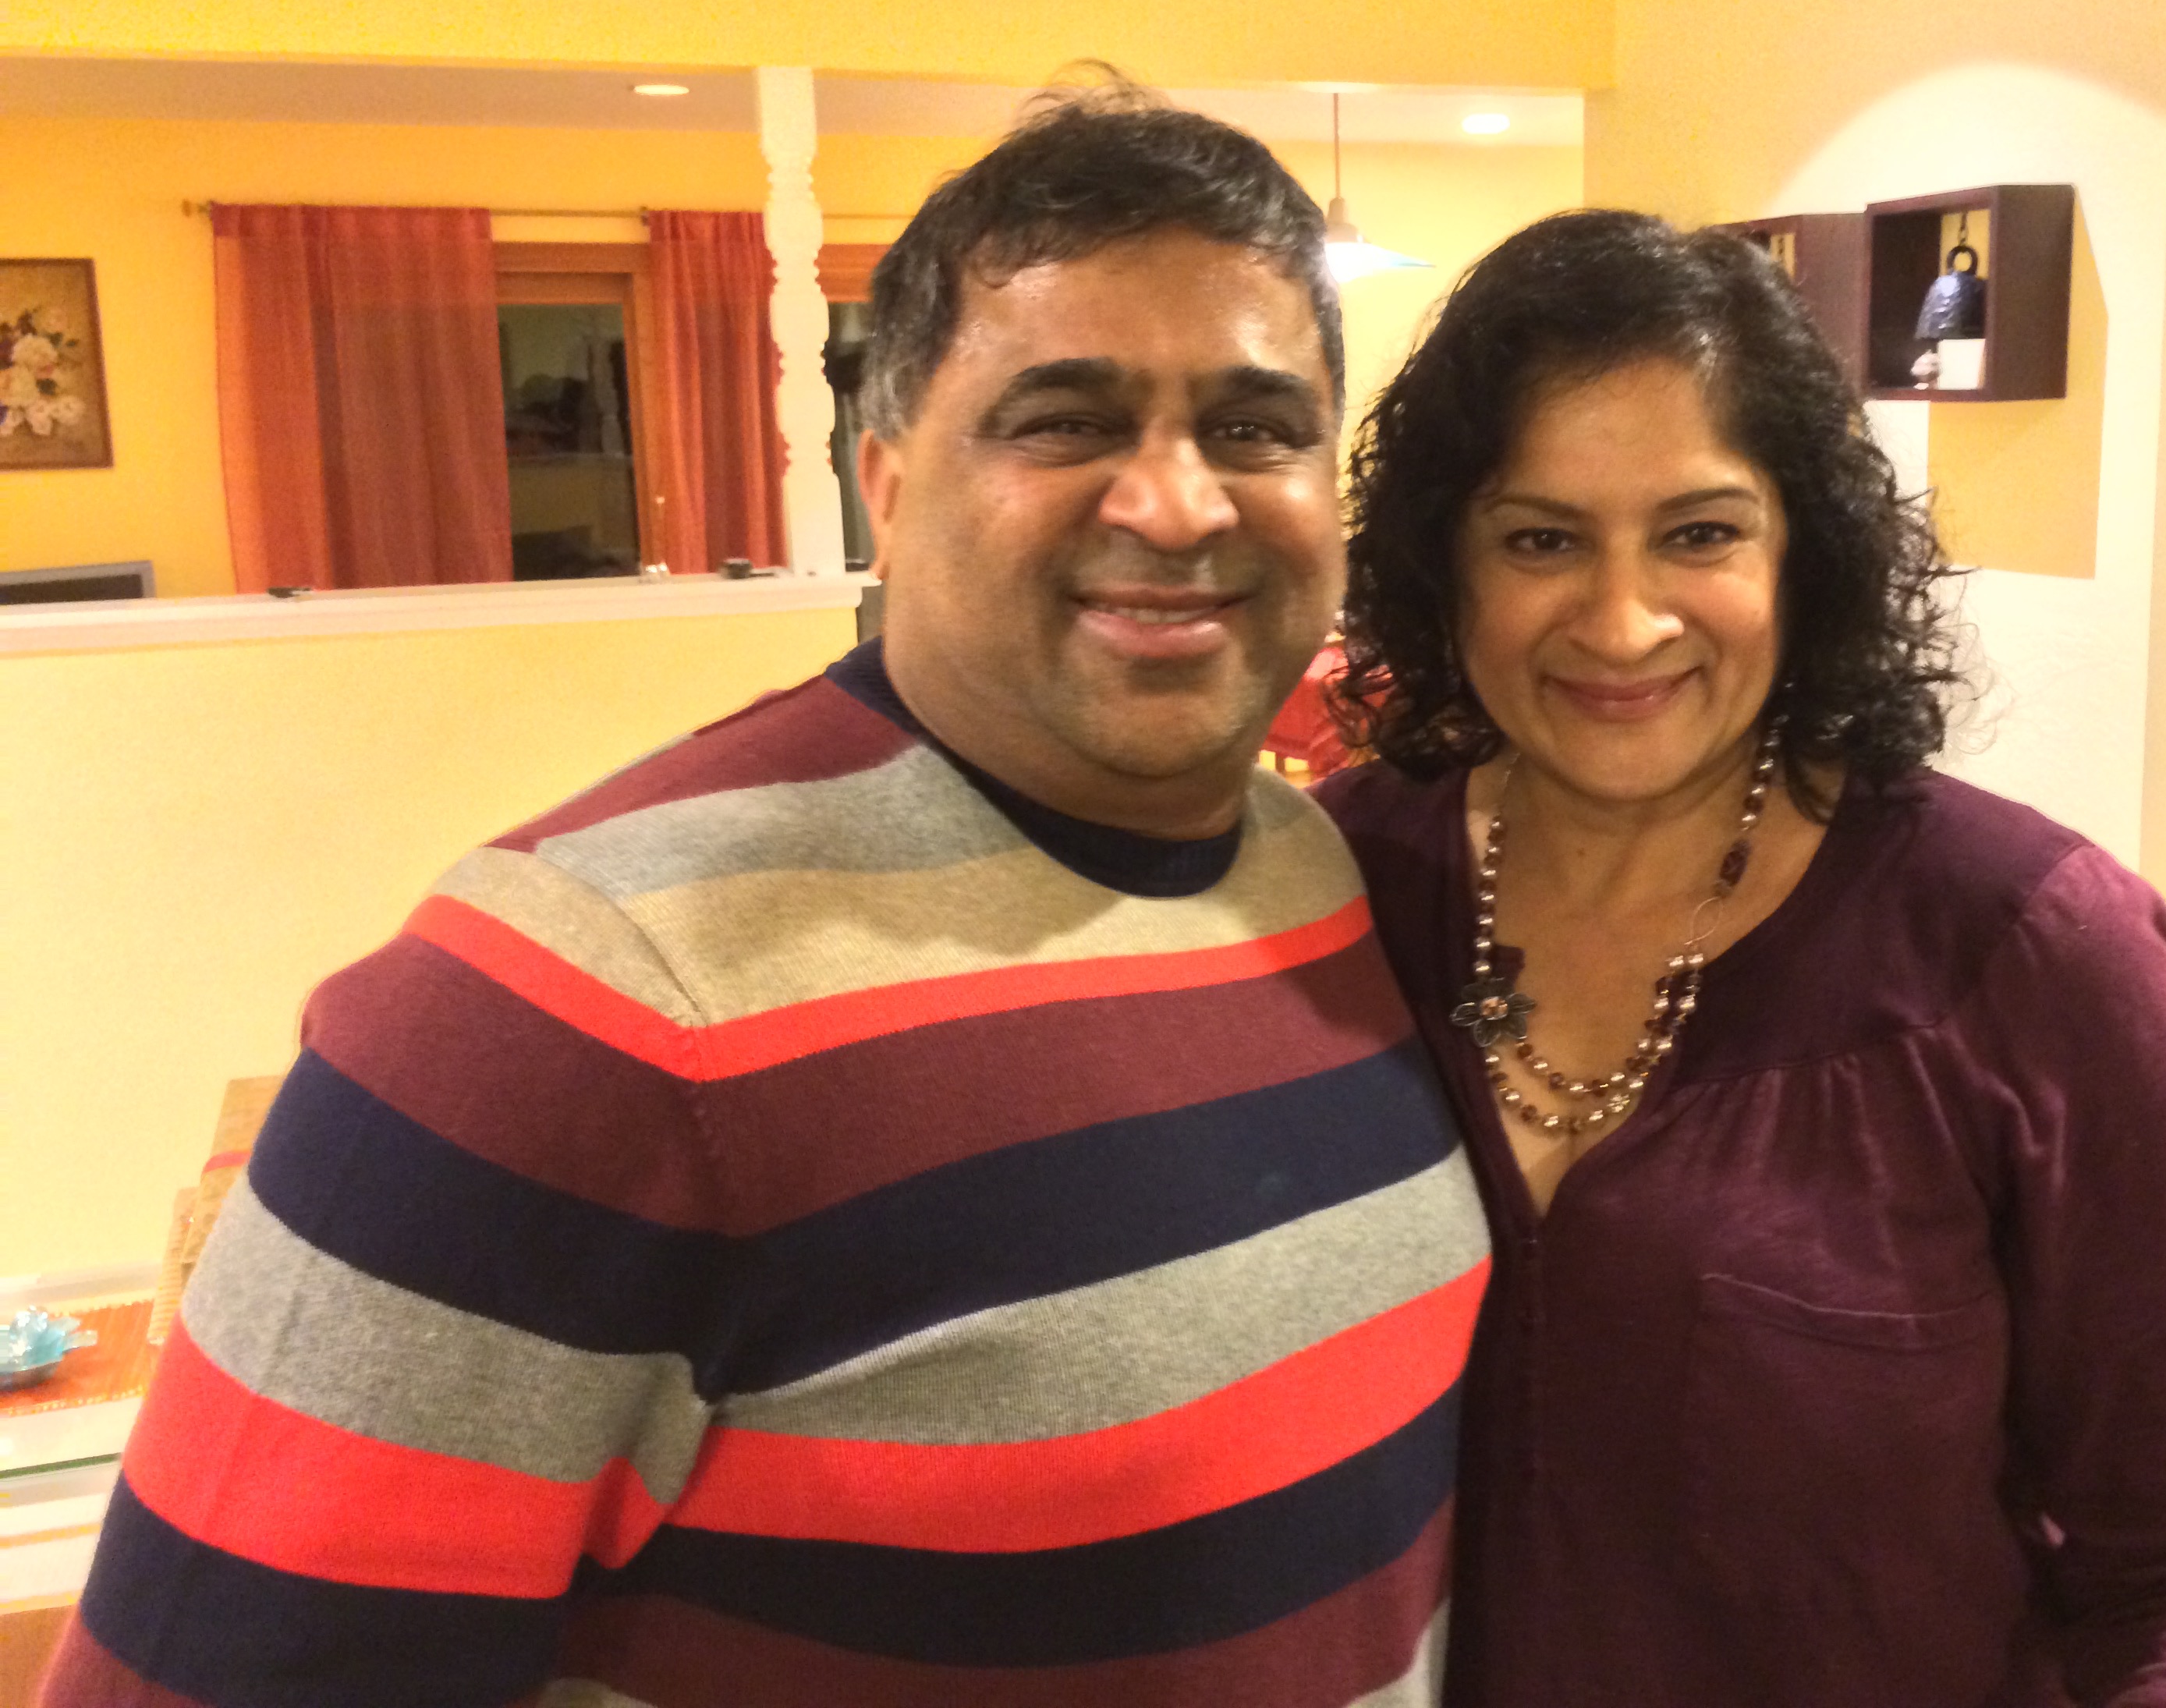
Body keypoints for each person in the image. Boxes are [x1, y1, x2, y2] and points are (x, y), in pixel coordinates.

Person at [48, 90, 1490, 1707]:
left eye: (1256, 427)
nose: (1178, 505)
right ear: (888, 482)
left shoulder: (1321, 874)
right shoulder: (555, 1012)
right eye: (1064, 420)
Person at [1313, 209, 2166, 1707]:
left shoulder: (2033, 955)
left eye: (1701, 532)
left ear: (1804, 553)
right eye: (1541, 539)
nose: (1624, 622)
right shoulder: (1328, 892)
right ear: (1442, 566)